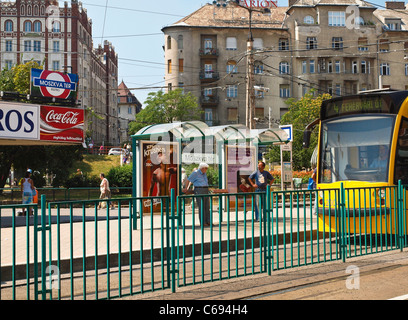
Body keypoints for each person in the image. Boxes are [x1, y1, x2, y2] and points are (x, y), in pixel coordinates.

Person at [183, 163, 211, 227]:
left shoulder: (204, 173)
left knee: (207, 206)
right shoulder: (195, 173)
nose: (206, 170)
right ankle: (203, 222)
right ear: (202, 168)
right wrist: (186, 188)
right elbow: (188, 180)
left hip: (205, 190)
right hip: (199, 189)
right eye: (205, 168)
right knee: (201, 206)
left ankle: (208, 221)